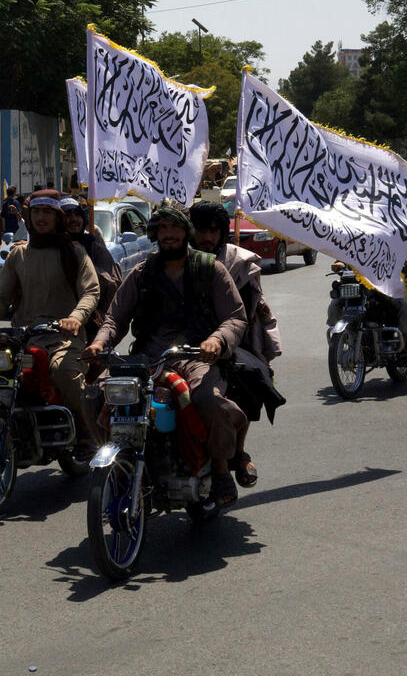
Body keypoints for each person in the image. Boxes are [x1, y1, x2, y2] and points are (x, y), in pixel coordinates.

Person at [85, 201, 249, 508]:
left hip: (196, 357)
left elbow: (236, 318)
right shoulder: (141, 273)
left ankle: (220, 469)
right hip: (148, 358)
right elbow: (114, 319)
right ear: (154, 233)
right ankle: (120, 459)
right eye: (162, 228)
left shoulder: (210, 268)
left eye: (174, 227)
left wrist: (216, 339)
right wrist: (99, 343)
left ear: (185, 231)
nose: (168, 234)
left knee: (208, 401)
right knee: (96, 393)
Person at [0, 190, 102, 443]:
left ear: (58, 217)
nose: (41, 217)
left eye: (48, 212)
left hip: (62, 337)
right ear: (29, 217)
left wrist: (75, 318)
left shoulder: (74, 252)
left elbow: (91, 291)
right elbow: (0, 296)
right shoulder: (18, 254)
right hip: (23, 337)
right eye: (36, 212)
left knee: (64, 372)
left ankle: (86, 433)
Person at [190, 200, 285, 484]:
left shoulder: (239, 263)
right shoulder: (175, 259)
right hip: (178, 343)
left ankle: (239, 452)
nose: (206, 237)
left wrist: (222, 339)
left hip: (230, 341)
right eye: (201, 230)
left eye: (213, 231)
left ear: (221, 233)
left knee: (251, 377)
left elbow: (249, 309)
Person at [60, 196, 121, 339]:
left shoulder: (95, 248)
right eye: (68, 215)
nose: (74, 219)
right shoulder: (50, 248)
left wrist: (86, 269)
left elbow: (112, 285)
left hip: (91, 322)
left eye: (77, 214)